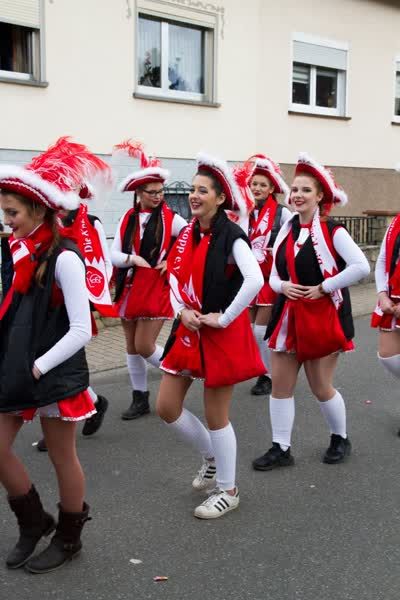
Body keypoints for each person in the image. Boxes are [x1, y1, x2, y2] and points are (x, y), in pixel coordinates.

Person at [0, 137, 109, 573]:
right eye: (4, 213)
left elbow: (82, 329)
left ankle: (68, 538)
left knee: (64, 457)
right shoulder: (19, 248)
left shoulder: (65, 258)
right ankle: (33, 522)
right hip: (18, 367)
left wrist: (39, 366)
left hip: (53, 372)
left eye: (13, 213)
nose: (7, 221)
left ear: (38, 210)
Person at [157, 153, 265, 519]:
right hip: (188, 328)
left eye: (203, 190)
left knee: (216, 413)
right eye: (193, 189)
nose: (194, 195)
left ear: (220, 198)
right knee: (166, 406)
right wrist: (181, 312)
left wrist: (225, 317)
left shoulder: (232, 235)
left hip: (219, 333)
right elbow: (174, 278)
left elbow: (255, 280)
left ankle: (228, 490)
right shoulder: (188, 232)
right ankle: (211, 457)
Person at [252, 153, 370, 471]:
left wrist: (325, 286)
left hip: (323, 316)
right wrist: (282, 287)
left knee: (320, 386)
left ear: (320, 196)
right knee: (281, 386)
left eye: (306, 190)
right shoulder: (287, 228)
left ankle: (339, 437)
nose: (298, 195)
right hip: (287, 315)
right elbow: (273, 276)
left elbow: (361, 266)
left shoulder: (333, 231)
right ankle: (281, 448)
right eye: (295, 189)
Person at [111, 140, 187, 420]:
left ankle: (178, 372)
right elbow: (113, 254)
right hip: (130, 285)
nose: (158, 196)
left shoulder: (171, 218)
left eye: (160, 191)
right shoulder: (127, 217)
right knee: (132, 347)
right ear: (139, 193)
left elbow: (191, 240)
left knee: (144, 346)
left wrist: (171, 260)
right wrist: (132, 259)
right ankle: (139, 397)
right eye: (152, 192)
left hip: (155, 285)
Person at [35, 199, 114, 452]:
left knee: (67, 362)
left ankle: (65, 420)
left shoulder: (91, 222)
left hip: (80, 297)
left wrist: (95, 292)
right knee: (63, 362)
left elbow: (104, 262)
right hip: (54, 304)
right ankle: (92, 404)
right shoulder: (48, 222)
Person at [247, 155, 292, 396]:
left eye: (262, 185)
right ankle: (265, 369)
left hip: (270, 278)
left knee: (260, 331)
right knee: (250, 330)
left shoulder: (281, 213)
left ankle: (268, 376)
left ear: (271, 188)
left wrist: (277, 251)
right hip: (249, 278)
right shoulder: (244, 212)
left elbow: (295, 237)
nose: (257, 188)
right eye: (254, 184)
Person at [371, 199, 400, 434]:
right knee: (387, 356)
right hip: (391, 300)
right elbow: (382, 260)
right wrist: (381, 294)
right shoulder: (396, 223)